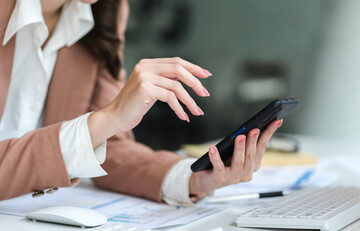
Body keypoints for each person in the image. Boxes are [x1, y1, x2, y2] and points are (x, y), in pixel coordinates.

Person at [0, 0, 282, 205]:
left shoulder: (106, 9)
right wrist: (106, 119)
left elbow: (108, 148)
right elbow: (96, 130)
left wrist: (193, 178)